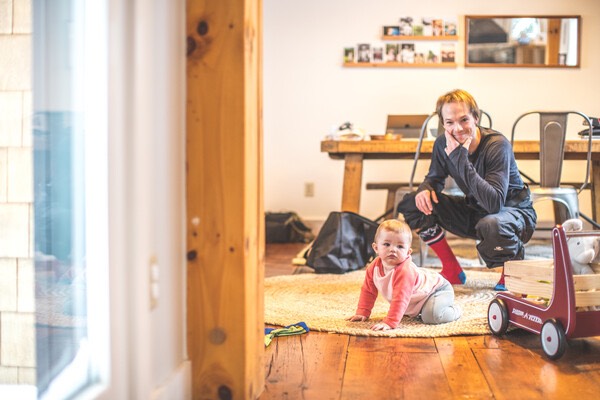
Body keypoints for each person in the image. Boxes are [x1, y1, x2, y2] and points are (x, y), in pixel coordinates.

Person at [396, 89, 537, 290]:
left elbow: (494, 203)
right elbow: (434, 178)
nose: (458, 128)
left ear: (475, 118)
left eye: (464, 120)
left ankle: (511, 274)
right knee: (413, 202)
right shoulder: (443, 144)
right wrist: (425, 190)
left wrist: (460, 159)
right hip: (476, 211)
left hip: (513, 214)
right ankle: (452, 268)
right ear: (443, 124)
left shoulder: (497, 145)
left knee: (492, 222)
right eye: (450, 122)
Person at [346, 219, 461, 331]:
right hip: (417, 299)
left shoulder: (405, 271)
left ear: (408, 252)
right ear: (376, 248)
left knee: (431, 317)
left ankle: (455, 310)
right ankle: (420, 309)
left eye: (400, 246)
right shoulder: (373, 268)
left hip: (437, 290)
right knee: (412, 311)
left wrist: (390, 322)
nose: (393, 250)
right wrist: (362, 312)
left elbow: (400, 298)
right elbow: (368, 291)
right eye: (386, 244)